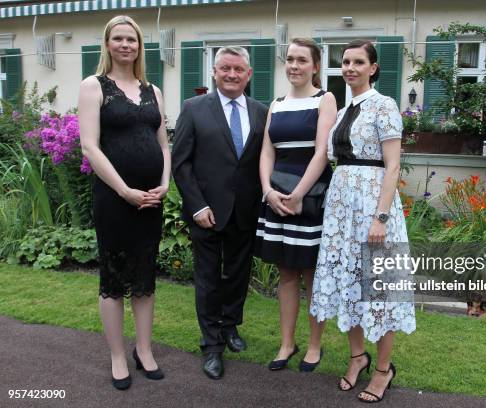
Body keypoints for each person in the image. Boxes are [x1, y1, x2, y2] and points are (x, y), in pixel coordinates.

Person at [310, 40, 416, 403]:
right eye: (345, 62)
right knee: (348, 284)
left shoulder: (384, 106)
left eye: (359, 62)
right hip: (342, 211)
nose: (350, 67)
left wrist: (381, 218)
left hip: (374, 208)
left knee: (380, 290)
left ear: (373, 68)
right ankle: (358, 357)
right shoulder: (341, 113)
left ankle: (384, 370)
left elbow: (393, 166)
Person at [78, 15, 170, 390]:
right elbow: (89, 146)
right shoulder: (94, 86)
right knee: (114, 280)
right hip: (115, 200)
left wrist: (164, 184)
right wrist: (124, 190)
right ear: (108, 43)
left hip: (151, 200)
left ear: (139, 45)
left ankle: (144, 350)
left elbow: (164, 143)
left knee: (145, 277)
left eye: (131, 39)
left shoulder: (153, 90)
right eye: (118, 38)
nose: (125, 45)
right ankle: (118, 355)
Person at [172, 46, 268, 380]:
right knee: (209, 279)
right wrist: (197, 205)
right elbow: (180, 163)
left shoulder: (261, 112)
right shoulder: (194, 108)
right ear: (214, 72)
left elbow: (262, 162)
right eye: (225, 68)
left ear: (248, 74)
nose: (231, 74)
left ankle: (230, 327)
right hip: (206, 212)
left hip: (245, 211)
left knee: (238, 275)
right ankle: (211, 345)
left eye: (238, 69)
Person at [254, 38, 337, 372]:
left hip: (312, 194)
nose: (294, 66)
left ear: (315, 66)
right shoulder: (275, 103)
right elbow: (266, 152)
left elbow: (322, 152)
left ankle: (315, 346)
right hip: (277, 195)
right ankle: (287, 343)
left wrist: (300, 192)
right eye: (289, 59)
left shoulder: (325, 99)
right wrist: (267, 191)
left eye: (302, 60)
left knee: (312, 274)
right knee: (286, 272)